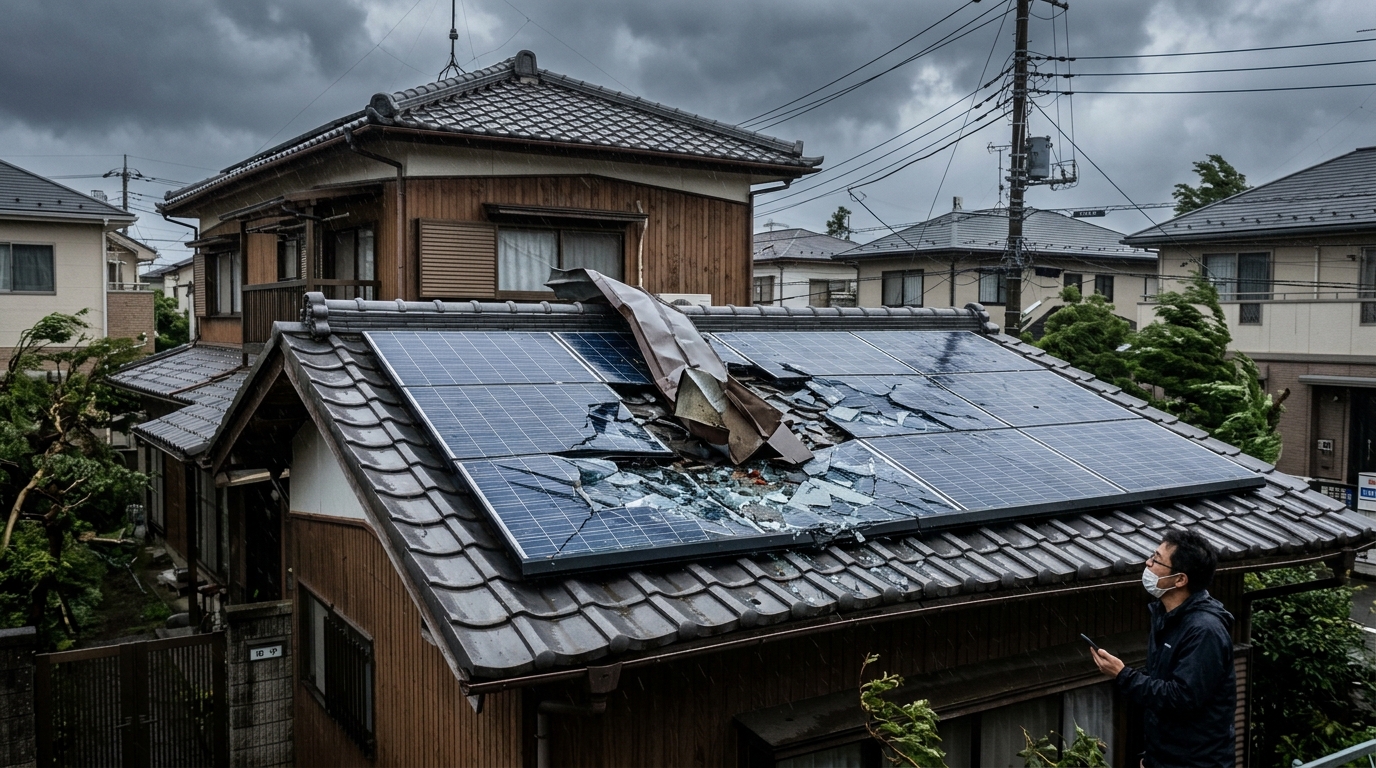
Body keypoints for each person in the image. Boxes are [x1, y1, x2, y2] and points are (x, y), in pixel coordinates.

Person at [1090, 529, 1236, 768]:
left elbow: (1181, 698)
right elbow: (1161, 682)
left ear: (1180, 579)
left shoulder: (1204, 630)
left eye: (1156, 559)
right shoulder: (1167, 616)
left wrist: (1123, 674)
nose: (1148, 563)